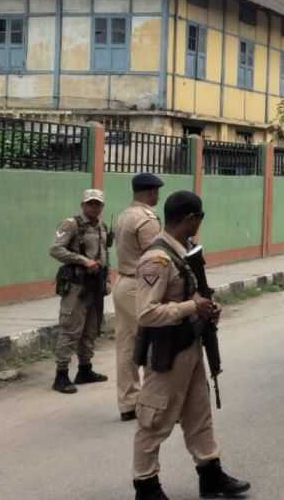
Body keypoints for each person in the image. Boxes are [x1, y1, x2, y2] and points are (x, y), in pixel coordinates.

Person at [131, 191, 249, 500]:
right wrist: (190, 308)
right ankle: (146, 485)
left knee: (199, 413)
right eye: (199, 218)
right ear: (189, 219)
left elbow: (191, 295)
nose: (200, 223)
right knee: (153, 420)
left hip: (190, 345)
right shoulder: (157, 258)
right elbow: (146, 313)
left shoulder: (183, 253)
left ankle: (210, 475)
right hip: (167, 351)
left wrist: (206, 308)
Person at [49, 188, 111, 394]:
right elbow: (56, 249)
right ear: (83, 205)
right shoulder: (72, 224)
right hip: (76, 285)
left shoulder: (102, 226)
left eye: (98, 204)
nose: (94, 207)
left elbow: (104, 255)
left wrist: (107, 279)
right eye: (90, 203)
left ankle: (85, 369)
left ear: (102, 206)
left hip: (95, 285)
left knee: (91, 330)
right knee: (71, 329)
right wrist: (83, 261)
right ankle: (61, 374)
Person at [113, 173, 164, 421]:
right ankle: (152, 403)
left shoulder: (123, 215)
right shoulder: (147, 220)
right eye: (156, 191)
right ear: (151, 192)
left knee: (126, 346)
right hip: (140, 285)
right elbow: (156, 257)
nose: (158, 195)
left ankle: (128, 403)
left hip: (122, 281)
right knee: (152, 342)